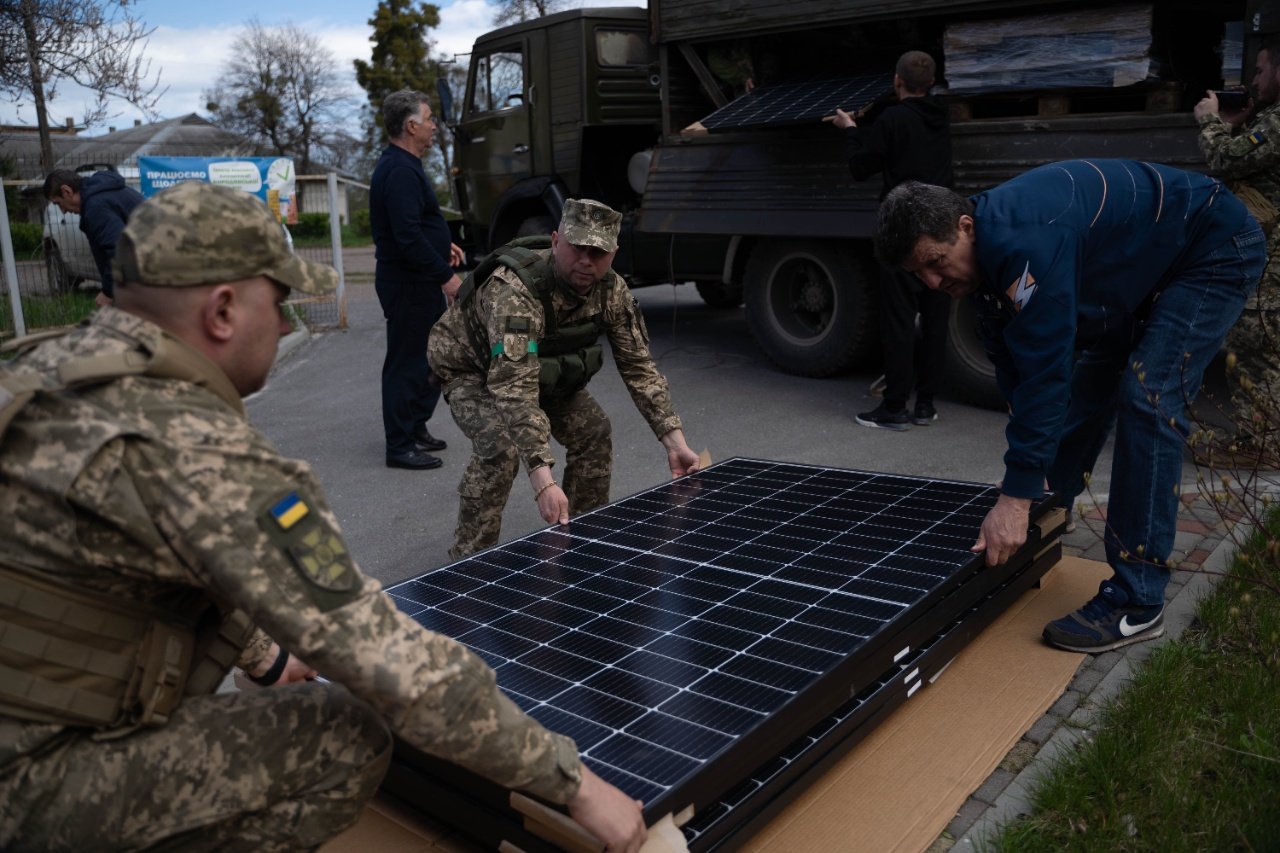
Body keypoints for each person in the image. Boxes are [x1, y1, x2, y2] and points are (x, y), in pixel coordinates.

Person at [0, 181, 647, 852]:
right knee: (347, 733)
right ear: (222, 311)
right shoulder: (191, 447)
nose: (284, 326)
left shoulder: (48, 372)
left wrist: (262, 656)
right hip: (29, 782)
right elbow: (387, 658)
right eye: (277, 303)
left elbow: (181, 548)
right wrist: (575, 785)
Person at [873, 159, 1265, 654]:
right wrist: (1027, 475)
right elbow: (1012, 363)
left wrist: (1012, 500)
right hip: (1141, 266)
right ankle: (1049, 499)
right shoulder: (985, 260)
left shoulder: (1025, 243)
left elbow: (1045, 371)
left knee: (1147, 397)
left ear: (964, 226)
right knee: (1086, 391)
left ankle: (1137, 601)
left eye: (935, 261)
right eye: (918, 273)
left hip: (1210, 247)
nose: (932, 282)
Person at [428, 198, 701, 559]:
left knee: (593, 431)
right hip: (471, 367)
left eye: (598, 251)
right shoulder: (515, 291)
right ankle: (467, 564)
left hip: (541, 367)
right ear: (556, 241)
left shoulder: (612, 292)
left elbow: (639, 367)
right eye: (577, 248)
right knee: (501, 449)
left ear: (614, 253)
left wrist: (674, 442)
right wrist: (543, 482)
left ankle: (584, 541)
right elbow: (514, 387)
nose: (587, 261)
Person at [831, 50, 953, 431]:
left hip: (904, 227)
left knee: (899, 318)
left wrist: (851, 130)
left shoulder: (892, 118)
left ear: (897, 82)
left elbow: (860, 168)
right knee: (936, 316)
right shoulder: (941, 116)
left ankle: (895, 407)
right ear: (931, 83)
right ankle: (926, 405)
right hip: (943, 223)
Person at [371, 88, 465, 470]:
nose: (434, 126)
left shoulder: (407, 165)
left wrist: (444, 246)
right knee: (407, 362)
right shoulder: (397, 170)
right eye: (429, 119)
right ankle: (399, 445)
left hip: (417, 278)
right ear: (411, 126)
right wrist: (446, 277)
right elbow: (406, 236)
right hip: (407, 284)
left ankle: (414, 427)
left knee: (428, 359)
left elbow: (415, 226)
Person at [1194, 42, 1280, 451]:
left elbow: (1227, 160)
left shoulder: (1278, 122)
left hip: (1271, 270)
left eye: (1261, 71)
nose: (1254, 80)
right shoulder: (1269, 121)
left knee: (1254, 355)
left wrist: (1210, 122)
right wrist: (1235, 124)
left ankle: (1256, 446)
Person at [43, 167, 144, 307]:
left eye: (58, 203)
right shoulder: (104, 194)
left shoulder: (96, 207)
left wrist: (108, 292)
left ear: (67, 191)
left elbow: (119, 251)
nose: (63, 211)